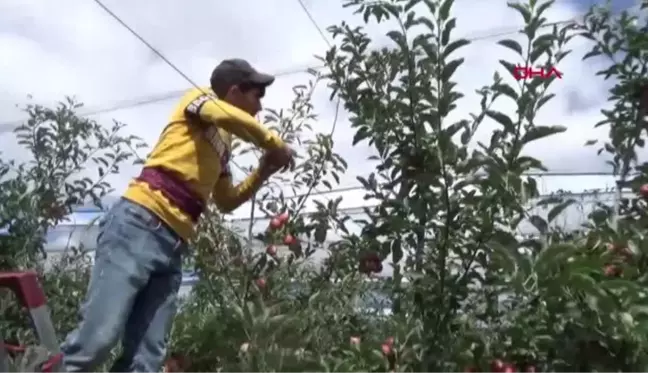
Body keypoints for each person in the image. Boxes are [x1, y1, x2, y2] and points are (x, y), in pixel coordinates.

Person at [60, 59, 294, 373]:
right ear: (235, 91)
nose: (260, 105)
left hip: (173, 244)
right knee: (96, 342)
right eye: (257, 95)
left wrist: (264, 170)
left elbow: (226, 201)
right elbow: (227, 116)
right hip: (139, 223)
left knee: (147, 359)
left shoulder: (224, 144)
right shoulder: (198, 101)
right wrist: (275, 144)